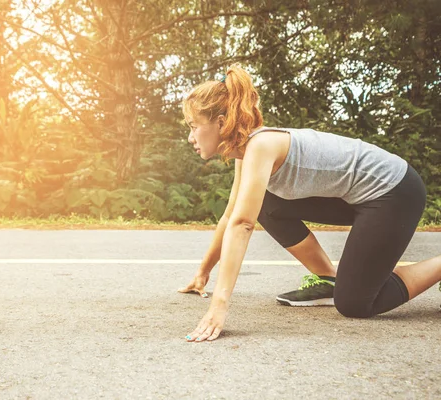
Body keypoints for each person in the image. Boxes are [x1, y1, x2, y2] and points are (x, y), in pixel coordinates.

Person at [178, 64, 441, 343]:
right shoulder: (246, 150)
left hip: (395, 191)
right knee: (264, 202)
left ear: (220, 123)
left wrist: (219, 306)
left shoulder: (261, 145)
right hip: (356, 197)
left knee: (355, 304)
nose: (190, 136)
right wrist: (203, 272)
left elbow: (243, 224)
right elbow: (231, 215)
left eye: (194, 127)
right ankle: (328, 277)